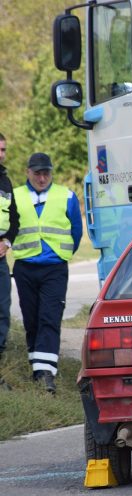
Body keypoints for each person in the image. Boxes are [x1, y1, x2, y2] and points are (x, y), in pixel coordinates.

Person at [13, 152, 82, 394]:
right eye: (37, 173)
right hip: (25, 267)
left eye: (46, 173)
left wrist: (61, 254)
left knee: (49, 318)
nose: (42, 178)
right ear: (27, 172)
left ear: (51, 172)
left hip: (54, 267)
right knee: (31, 320)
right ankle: (38, 367)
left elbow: (76, 231)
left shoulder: (67, 196)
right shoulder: (15, 196)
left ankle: (46, 375)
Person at [0, 134, 20, 358]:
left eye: (3, 150)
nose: (1, 154)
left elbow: (14, 219)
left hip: (1, 258)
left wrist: (6, 242)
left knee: (3, 312)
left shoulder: (5, 181)